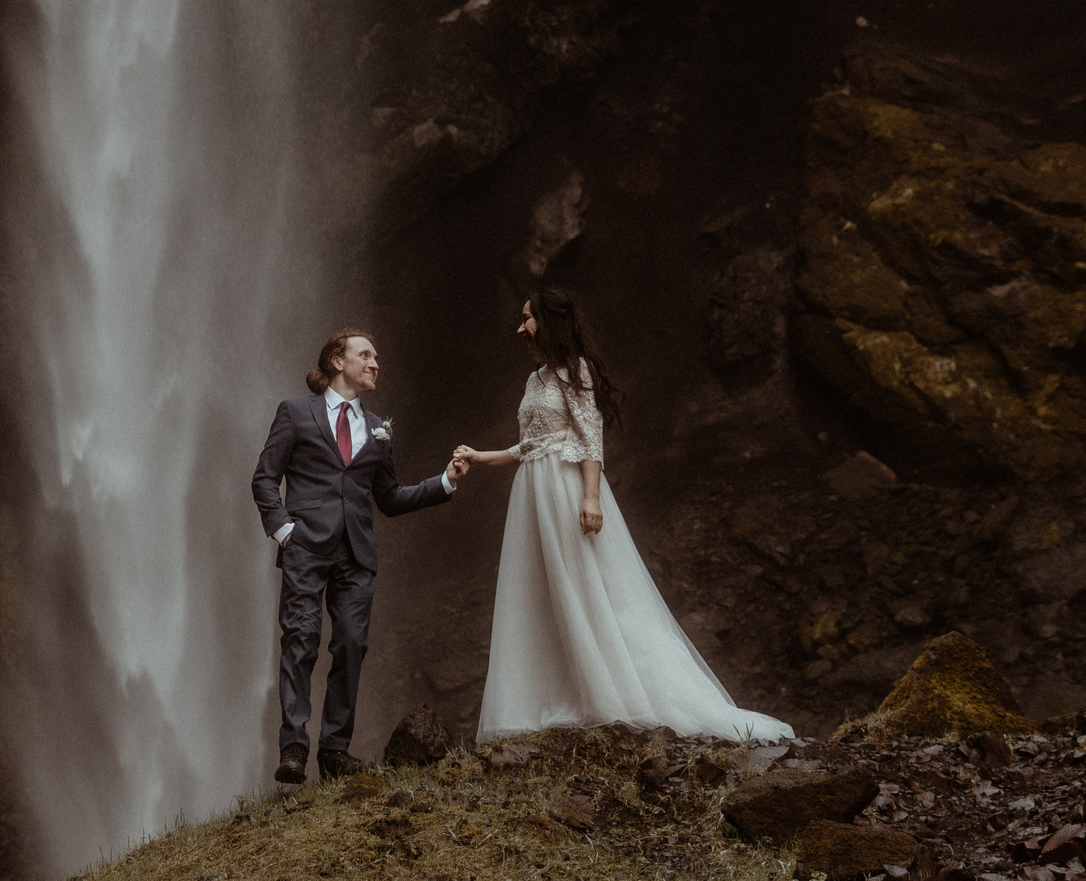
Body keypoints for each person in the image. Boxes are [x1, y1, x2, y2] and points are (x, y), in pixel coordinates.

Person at [455, 284, 792, 743]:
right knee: (540, 588)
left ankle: (612, 691)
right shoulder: (534, 381)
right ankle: (555, 693)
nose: (520, 327)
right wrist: (480, 456)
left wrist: (590, 498)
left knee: (585, 583)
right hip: (532, 494)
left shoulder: (578, 372)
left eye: (528, 317)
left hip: (565, 489)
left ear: (551, 320)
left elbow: (590, 438)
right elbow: (528, 446)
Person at [252, 328, 469, 785]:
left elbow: (388, 497)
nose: (375, 363)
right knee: (301, 640)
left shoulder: (378, 428)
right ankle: (293, 748)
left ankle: (334, 750)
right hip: (305, 546)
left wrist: (445, 481)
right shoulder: (295, 412)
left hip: (356, 553)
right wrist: (284, 529)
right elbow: (264, 478)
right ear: (337, 360)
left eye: (376, 357)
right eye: (365, 354)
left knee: (351, 645)